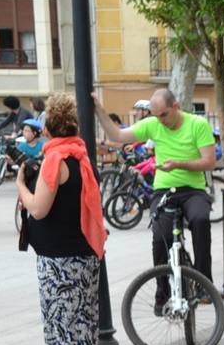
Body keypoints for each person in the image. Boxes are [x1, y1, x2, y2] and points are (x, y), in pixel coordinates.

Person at [15, 93, 107, 345]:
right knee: (81, 333)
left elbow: (38, 207)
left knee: (63, 334)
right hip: (82, 257)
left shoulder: (56, 160)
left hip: (60, 263)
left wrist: (21, 186)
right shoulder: (80, 155)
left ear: (49, 128)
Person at [92, 88, 216, 291]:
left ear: (175, 107)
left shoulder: (197, 124)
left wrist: (178, 164)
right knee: (160, 235)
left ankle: (204, 284)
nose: (161, 120)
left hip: (193, 189)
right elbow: (117, 134)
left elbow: (209, 162)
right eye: (156, 116)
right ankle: (162, 291)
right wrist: (99, 110)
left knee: (200, 221)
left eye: (164, 114)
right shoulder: (154, 123)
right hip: (165, 190)